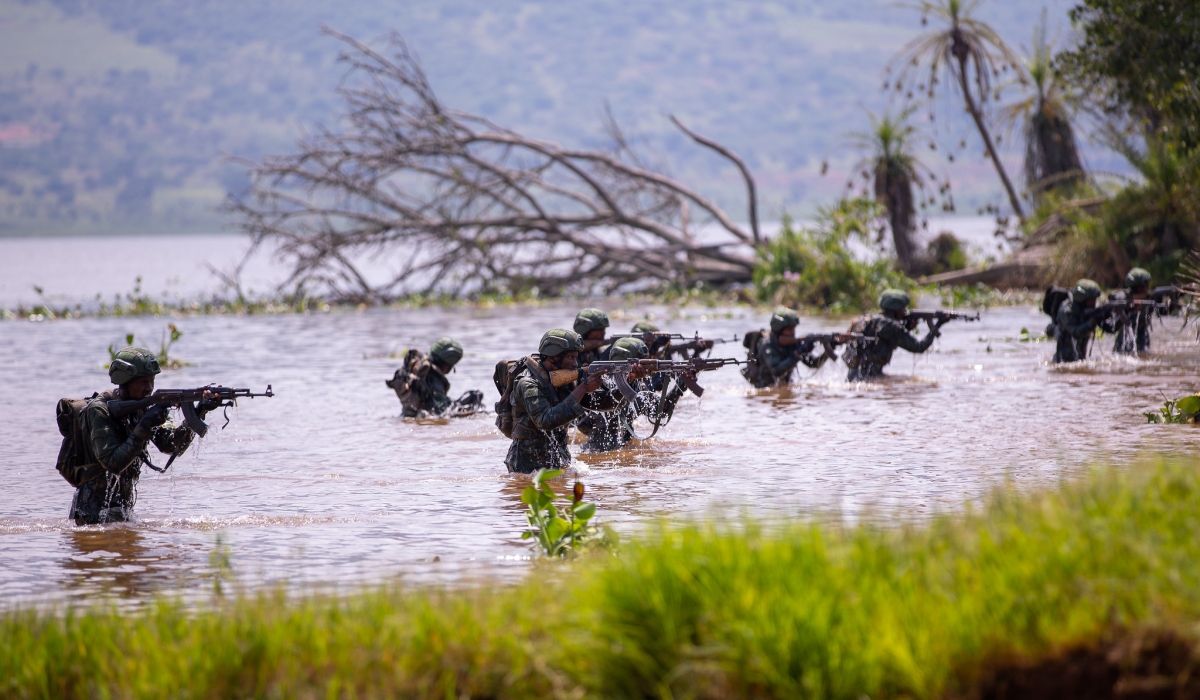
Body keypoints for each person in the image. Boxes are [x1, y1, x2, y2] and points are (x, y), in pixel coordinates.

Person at [71, 347, 209, 525]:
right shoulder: (99, 410)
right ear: (124, 382)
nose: (149, 388)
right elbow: (113, 464)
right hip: (92, 514)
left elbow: (171, 445)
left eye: (152, 381)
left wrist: (199, 411)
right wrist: (144, 426)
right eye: (143, 382)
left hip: (123, 511)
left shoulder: (145, 407)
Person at [505, 329, 605, 474]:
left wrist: (629, 381)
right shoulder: (527, 383)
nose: (575, 363)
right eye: (570, 357)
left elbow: (603, 404)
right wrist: (583, 388)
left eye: (576, 358)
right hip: (527, 466)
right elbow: (545, 421)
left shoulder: (565, 377)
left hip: (559, 459)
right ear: (552, 358)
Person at [576, 337, 691, 451]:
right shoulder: (600, 384)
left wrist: (680, 385)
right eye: (643, 362)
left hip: (619, 451)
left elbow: (661, 411)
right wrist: (628, 381)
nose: (647, 366)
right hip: (597, 454)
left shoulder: (637, 387)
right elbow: (589, 419)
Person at [843, 290, 943, 380]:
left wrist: (906, 327)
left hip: (853, 376)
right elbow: (919, 347)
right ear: (895, 309)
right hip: (872, 378)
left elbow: (883, 340)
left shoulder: (867, 319)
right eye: (903, 308)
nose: (905, 312)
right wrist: (937, 325)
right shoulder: (892, 326)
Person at [386, 337, 483, 417]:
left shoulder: (418, 366)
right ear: (447, 365)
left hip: (405, 415)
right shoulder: (434, 377)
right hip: (421, 419)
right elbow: (441, 413)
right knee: (475, 396)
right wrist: (472, 413)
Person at [742, 306, 836, 388]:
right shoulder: (767, 345)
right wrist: (798, 353)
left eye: (793, 329)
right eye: (789, 329)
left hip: (784, 386)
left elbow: (813, 364)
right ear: (779, 330)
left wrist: (831, 347)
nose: (793, 333)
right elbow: (776, 370)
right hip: (765, 391)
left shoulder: (793, 343)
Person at [1102, 267, 1153, 354]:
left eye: (1145, 286)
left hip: (1142, 342)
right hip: (1125, 343)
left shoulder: (1149, 299)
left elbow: (1164, 311)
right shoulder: (1121, 298)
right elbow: (1127, 322)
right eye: (1142, 287)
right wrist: (1131, 308)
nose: (1145, 289)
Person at [1052, 279, 1103, 363]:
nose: (1094, 303)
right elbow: (1075, 332)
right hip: (1063, 362)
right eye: (1091, 299)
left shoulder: (1089, 310)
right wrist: (1092, 321)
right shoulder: (1067, 311)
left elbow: (1110, 328)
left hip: (1079, 360)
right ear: (1082, 299)